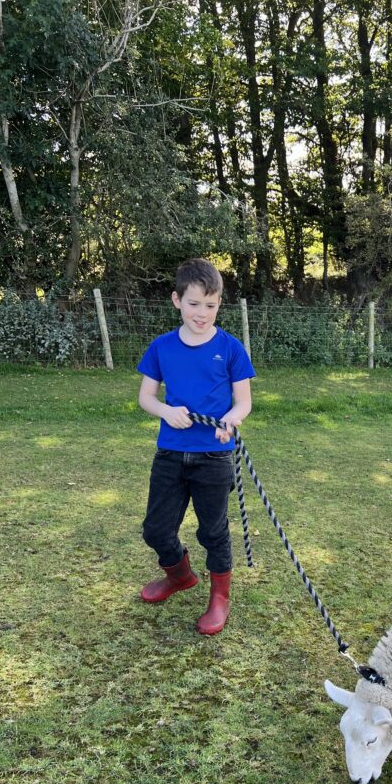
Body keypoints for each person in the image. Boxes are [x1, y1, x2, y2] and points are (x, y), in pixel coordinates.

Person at [136, 258, 255, 634]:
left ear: (219, 304)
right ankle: (180, 576)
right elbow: (146, 399)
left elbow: (243, 402)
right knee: (156, 529)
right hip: (170, 453)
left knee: (213, 531)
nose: (202, 313)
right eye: (194, 303)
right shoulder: (162, 347)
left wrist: (231, 421)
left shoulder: (231, 348)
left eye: (211, 305)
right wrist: (166, 412)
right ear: (176, 300)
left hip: (214, 457)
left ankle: (219, 598)